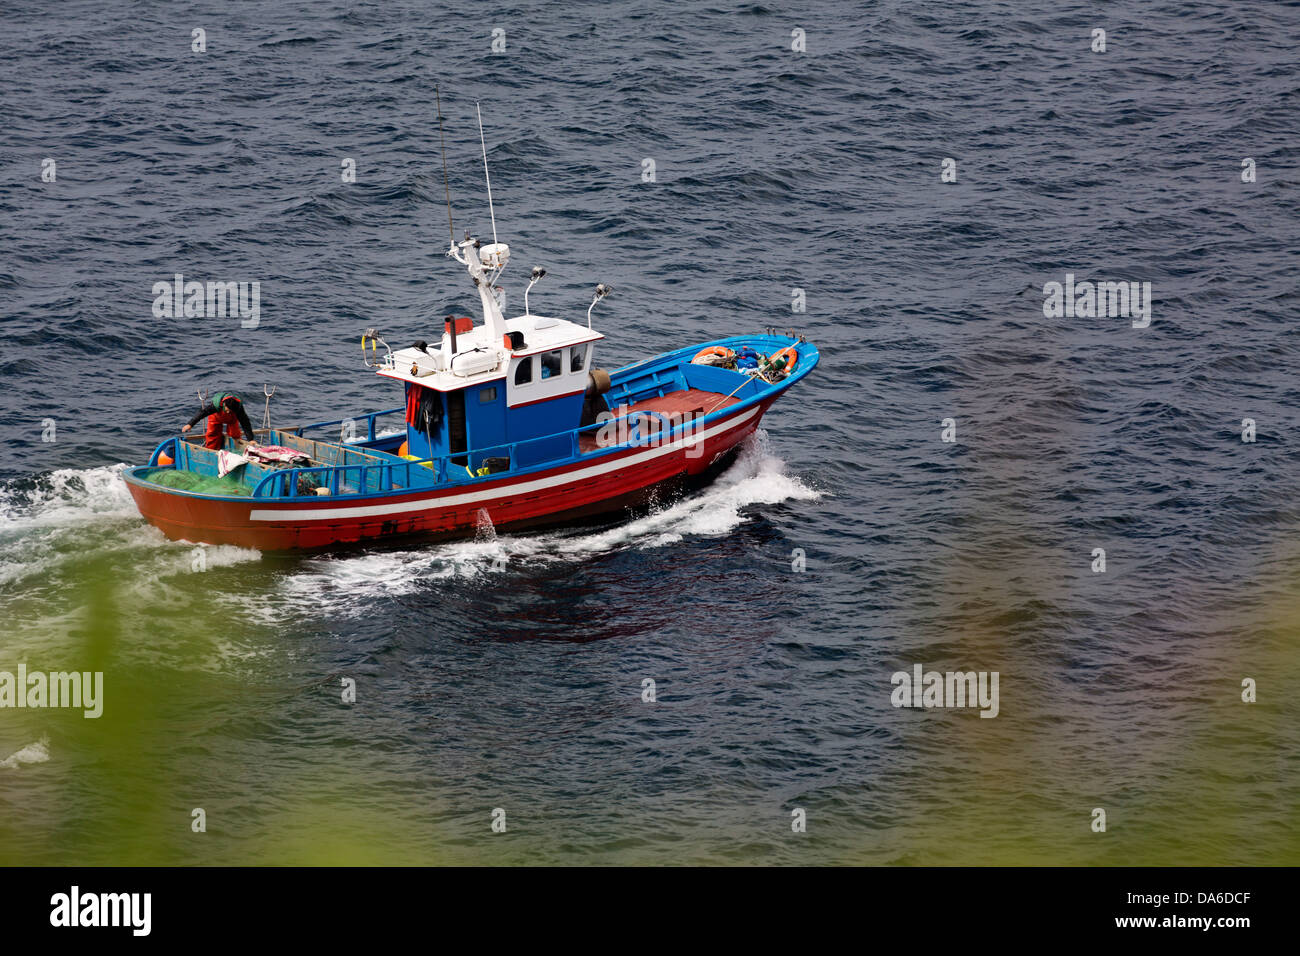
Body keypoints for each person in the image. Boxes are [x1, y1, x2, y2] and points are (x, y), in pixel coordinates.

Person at [183, 392, 257, 450]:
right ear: (224, 405)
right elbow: (203, 413)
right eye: (228, 410)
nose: (228, 412)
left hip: (232, 420)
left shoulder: (238, 408)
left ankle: (236, 451)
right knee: (212, 434)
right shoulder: (216, 405)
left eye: (231, 411)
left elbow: (245, 422)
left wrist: (250, 439)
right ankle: (212, 452)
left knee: (235, 435)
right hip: (216, 418)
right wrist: (190, 424)